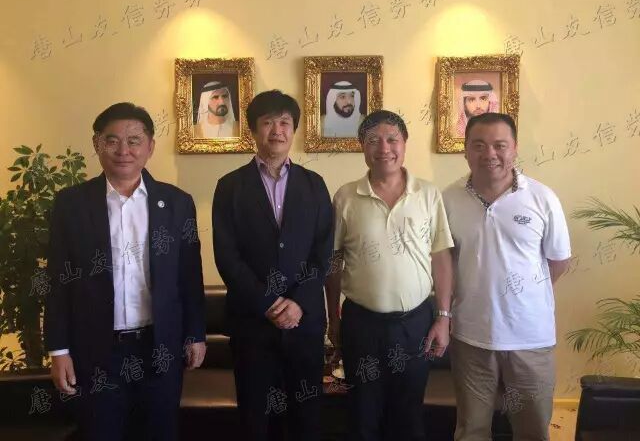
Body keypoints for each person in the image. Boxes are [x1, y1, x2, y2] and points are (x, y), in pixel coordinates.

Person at [44, 102, 207, 441]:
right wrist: (58, 350)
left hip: (159, 347)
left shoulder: (177, 203)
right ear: (97, 144)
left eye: (134, 141)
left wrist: (196, 333)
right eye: (112, 140)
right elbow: (58, 281)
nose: (123, 150)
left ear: (150, 146)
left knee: (160, 432)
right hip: (96, 351)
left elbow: (190, 276)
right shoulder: (71, 204)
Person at [326, 110, 455, 440]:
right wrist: (333, 319)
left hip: (415, 323)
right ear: (362, 147)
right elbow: (333, 261)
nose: (384, 148)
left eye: (392, 139)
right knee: (362, 414)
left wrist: (443, 317)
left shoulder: (428, 194)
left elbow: (441, 256)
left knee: (408, 416)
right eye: (373, 140)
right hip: (361, 325)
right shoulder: (345, 197)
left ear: (405, 143)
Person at [442, 112, 571, 441]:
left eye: (500, 145)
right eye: (479, 145)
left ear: (514, 148)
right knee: (471, 430)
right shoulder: (448, 199)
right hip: (471, 338)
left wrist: (523, 295)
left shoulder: (542, 198)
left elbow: (558, 261)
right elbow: (445, 262)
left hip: (530, 339)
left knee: (532, 431)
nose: (490, 154)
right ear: (465, 150)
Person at [212, 90, 333, 441]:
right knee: (255, 419)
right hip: (252, 325)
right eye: (268, 122)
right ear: (253, 130)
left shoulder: (314, 185)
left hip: (304, 323)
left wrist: (298, 302)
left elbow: (323, 252)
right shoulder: (230, 187)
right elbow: (227, 256)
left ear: (294, 129)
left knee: (306, 418)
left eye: (284, 123)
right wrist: (268, 302)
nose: (277, 130)